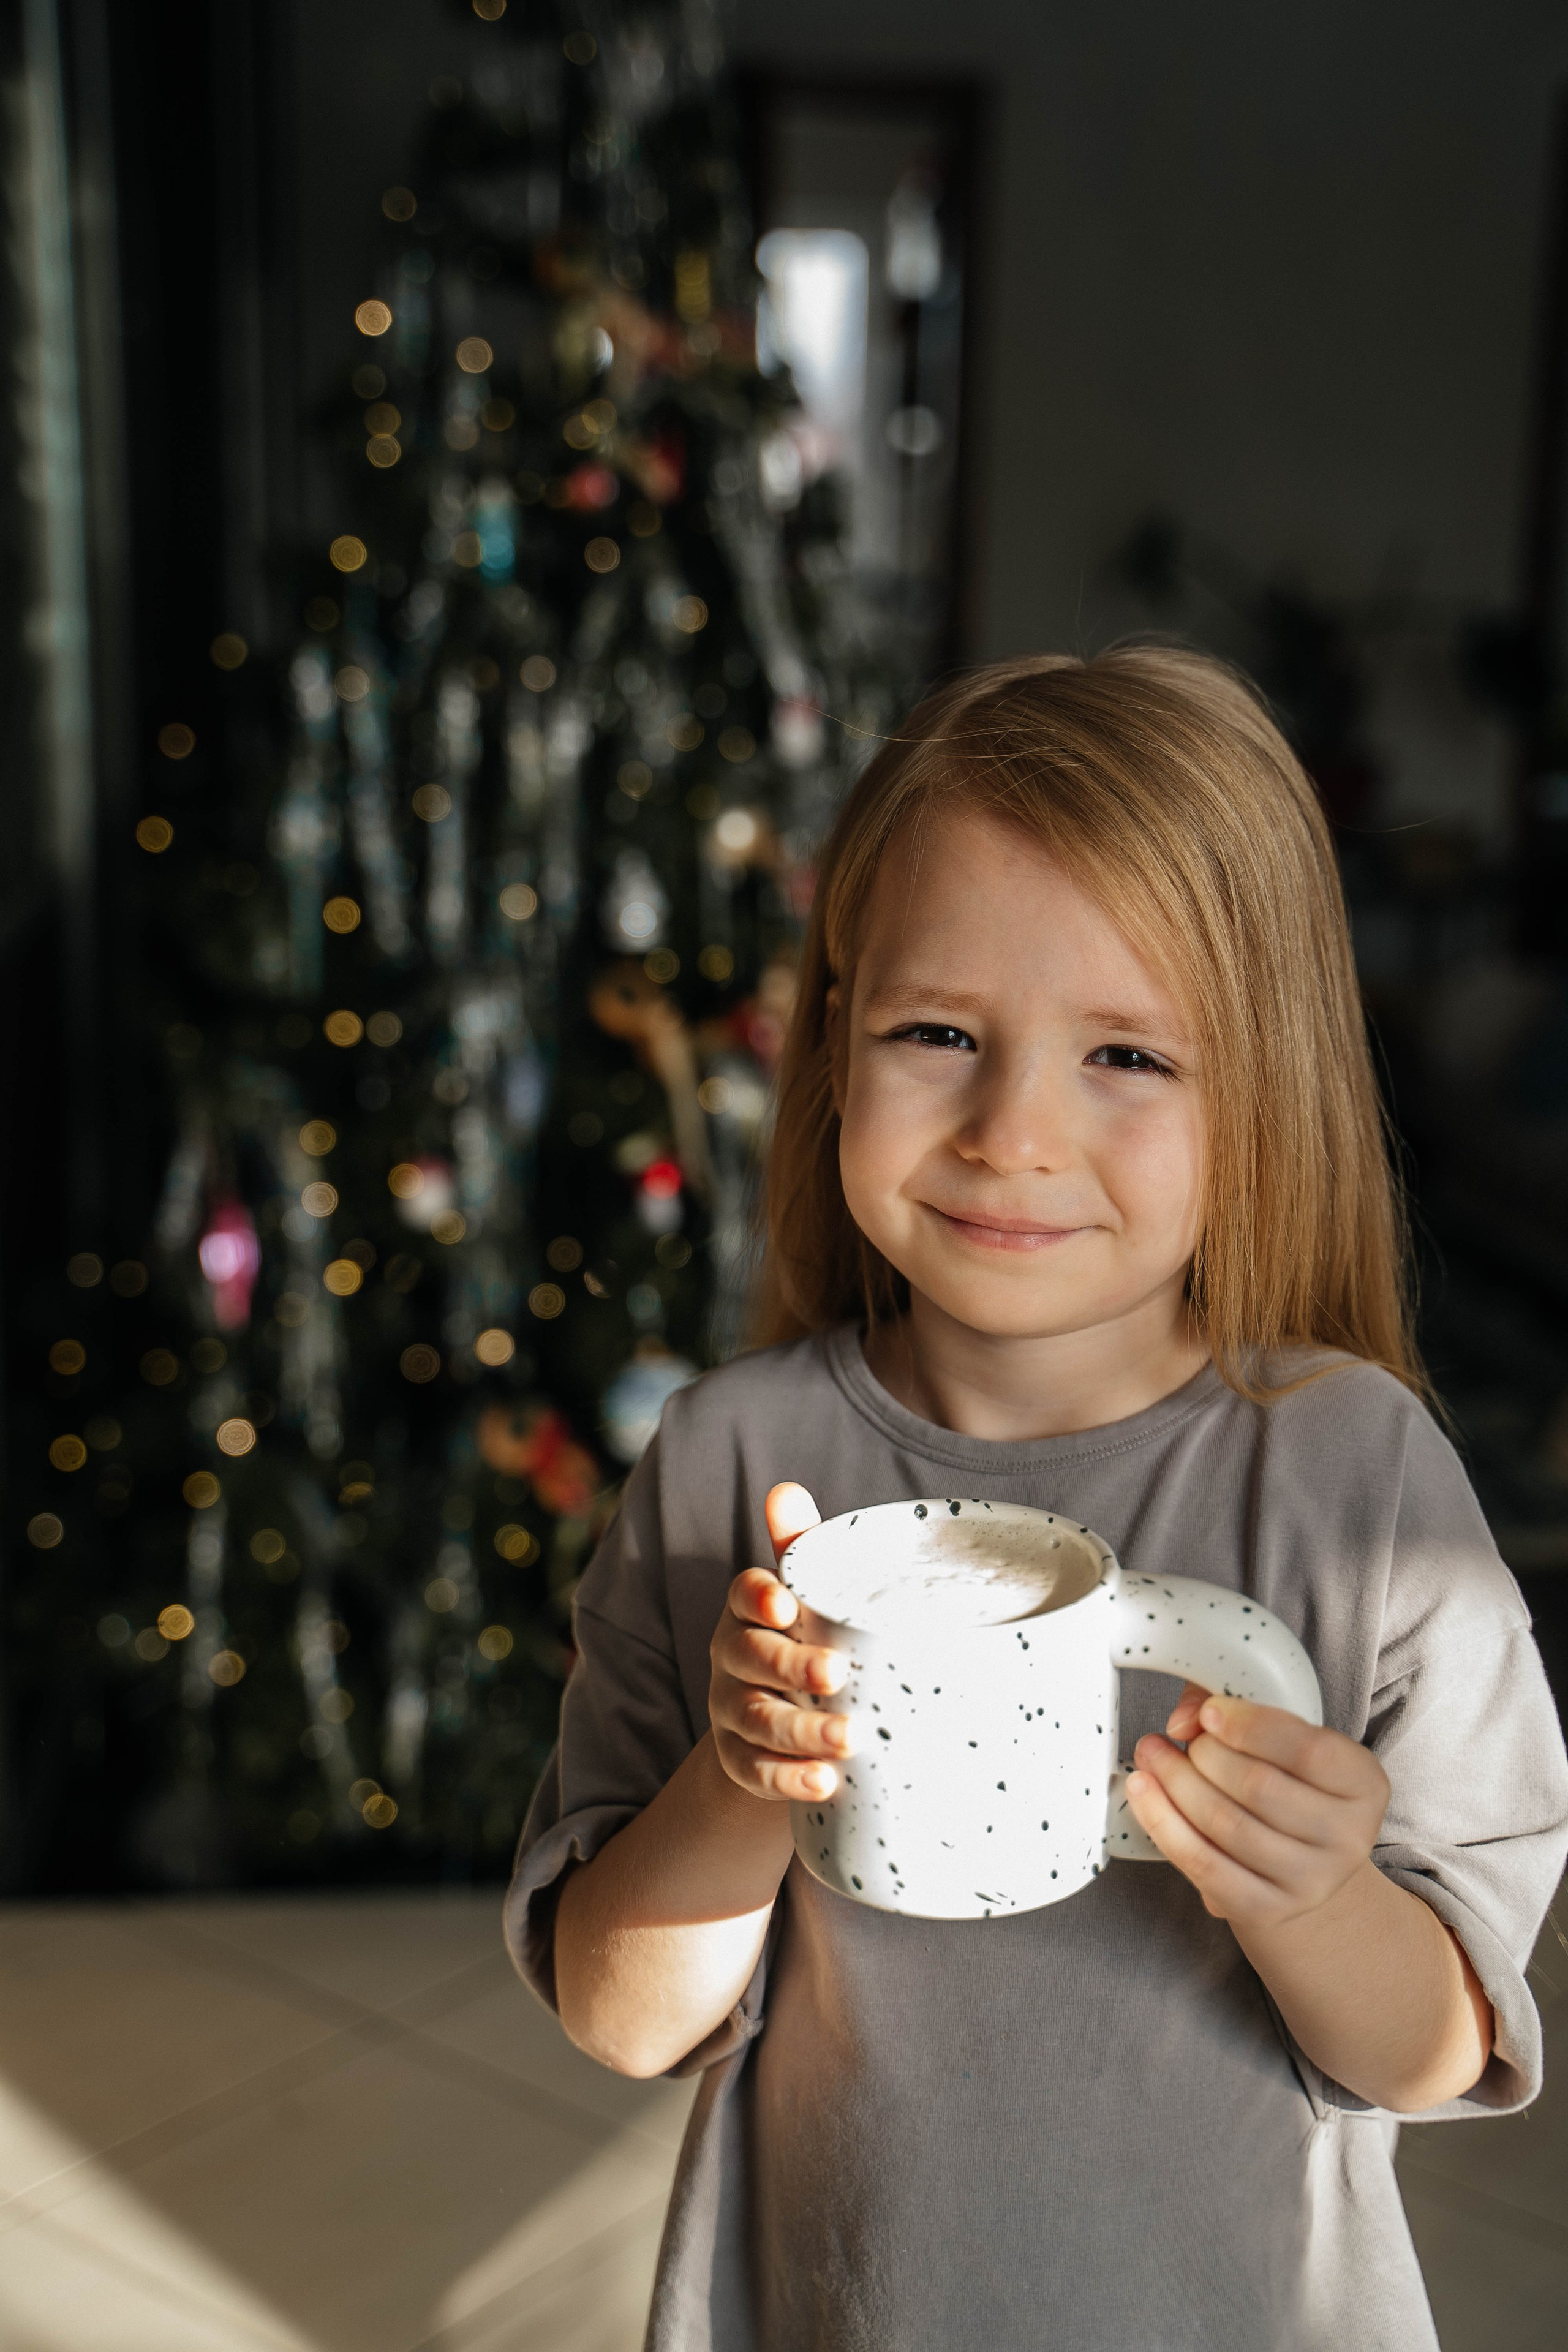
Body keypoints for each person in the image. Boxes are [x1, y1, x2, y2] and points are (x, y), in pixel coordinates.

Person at [505, 649, 1568, 2351]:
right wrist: (739, 1780)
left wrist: (1313, 1894)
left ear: (1265, 1082)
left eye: (1129, 1058)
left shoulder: (1366, 1487)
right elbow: (624, 2018)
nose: (1014, 1132)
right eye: (940, 1033)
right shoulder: (725, 1466)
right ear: (838, 1035)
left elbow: (1435, 2050)